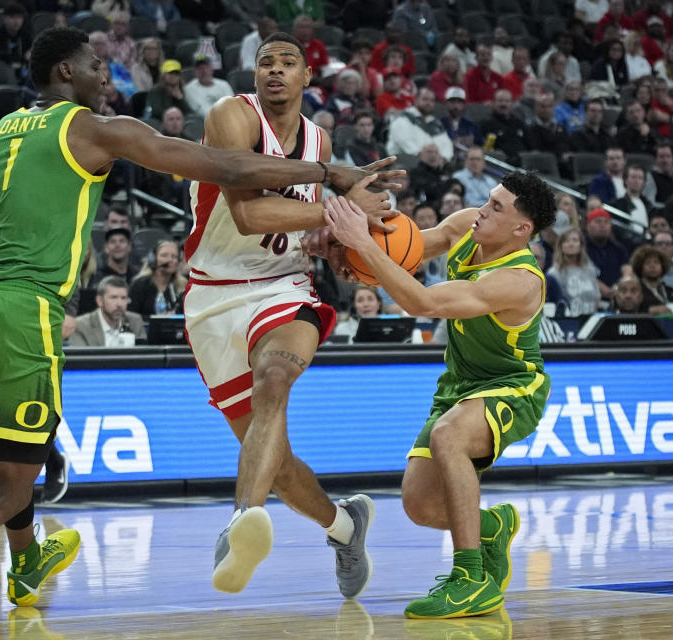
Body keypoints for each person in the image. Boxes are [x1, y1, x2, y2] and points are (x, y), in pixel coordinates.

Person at [0, 26, 402, 633]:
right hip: (24, 310)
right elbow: (215, 164)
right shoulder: (95, 129)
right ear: (66, 73)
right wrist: (328, 174)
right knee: (3, 485)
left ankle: (28, 562)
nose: (108, 76)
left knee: (15, 446)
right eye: (98, 65)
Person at [186, 30, 397, 600]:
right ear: (254, 76)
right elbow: (251, 211)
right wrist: (337, 196)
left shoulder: (319, 140)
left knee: (274, 379)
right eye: (265, 63)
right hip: (213, 295)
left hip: (283, 287)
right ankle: (345, 526)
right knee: (272, 461)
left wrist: (341, 239)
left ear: (307, 78)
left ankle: (239, 525)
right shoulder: (230, 115)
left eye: (287, 63)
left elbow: (301, 225)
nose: (275, 70)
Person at [322, 171, 555, 618]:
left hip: (512, 386)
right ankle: (492, 526)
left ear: (522, 229)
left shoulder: (519, 280)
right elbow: (407, 249)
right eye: (488, 200)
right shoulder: (469, 225)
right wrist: (352, 245)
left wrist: (365, 247)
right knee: (420, 505)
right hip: (458, 386)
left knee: (449, 437)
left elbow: (424, 304)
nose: (483, 210)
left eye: (497, 208)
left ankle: (470, 579)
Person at [69, 275, 146, 346]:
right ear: (100, 301)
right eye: (114, 297)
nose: (119, 304)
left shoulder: (135, 321)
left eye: (123, 298)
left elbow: (144, 357)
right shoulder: (80, 326)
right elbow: (82, 359)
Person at [548, 228, 602, 316]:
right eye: (566, 241)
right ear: (561, 246)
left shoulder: (590, 270)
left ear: (581, 246)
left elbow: (597, 299)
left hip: (591, 319)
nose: (571, 244)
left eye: (575, 240)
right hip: (569, 321)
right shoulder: (554, 273)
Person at [128, 240, 186, 317]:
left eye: (174, 256)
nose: (170, 260)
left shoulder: (183, 285)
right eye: (164, 255)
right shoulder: (140, 284)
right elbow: (131, 316)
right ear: (153, 259)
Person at [630, 244, 673, 313]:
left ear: (662, 266)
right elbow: (628, 312)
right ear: (640, 267)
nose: (652, 266)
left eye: (656, 262)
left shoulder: (672, 291)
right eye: (647, 263)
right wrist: (650, 311)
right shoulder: (634, 292)